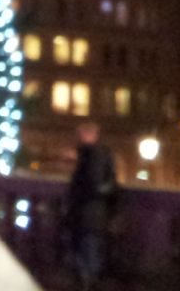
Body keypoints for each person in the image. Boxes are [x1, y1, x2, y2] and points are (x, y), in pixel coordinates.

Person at [63, 121, 118, 291]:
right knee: (91, 250)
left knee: (86, 250)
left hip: (86, 212)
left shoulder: (89, 156)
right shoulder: (103, 155)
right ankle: (89, 281)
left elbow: (88, 185)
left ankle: (88, 282)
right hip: (95, 213)